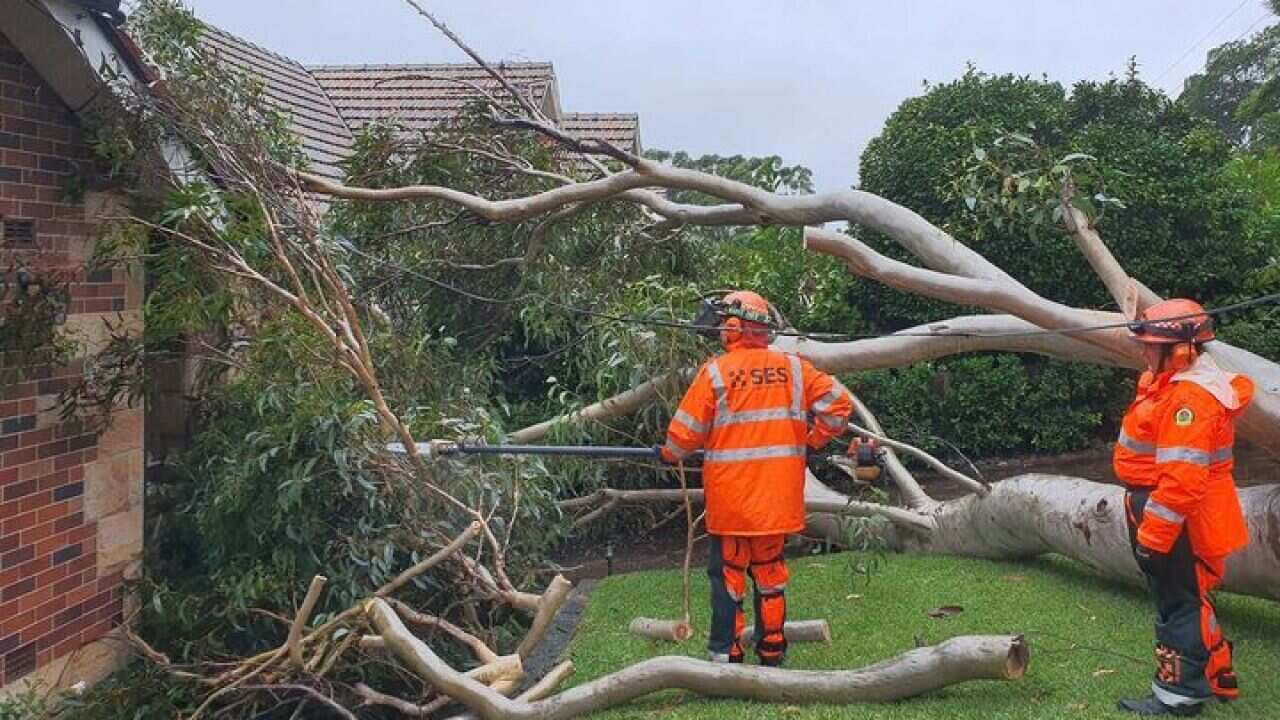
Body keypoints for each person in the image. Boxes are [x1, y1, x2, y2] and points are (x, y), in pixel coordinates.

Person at [659, 290, 853, 666]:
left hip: (732, 502)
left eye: (723, 325)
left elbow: (683, 436)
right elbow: (838, 407)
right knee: (770, 574)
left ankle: (727, 655)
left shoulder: (716, 371)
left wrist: (667, 454)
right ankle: (772, 650)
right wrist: (810, 440)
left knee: (729, 574)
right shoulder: (795, 368)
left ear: (734, 327)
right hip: (777, 501)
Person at [1113, 299, 1254, 716]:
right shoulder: (1173, 385)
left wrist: (1153, 538)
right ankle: (1215, 676)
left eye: (1151, 346)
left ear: (1180, 351)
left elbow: (1181, 482)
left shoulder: (1190, 400)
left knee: (1179, 605)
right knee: (1191, 598)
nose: (1143, 352)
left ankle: (1179, 695)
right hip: (1172, 512)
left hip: (1180, 519)